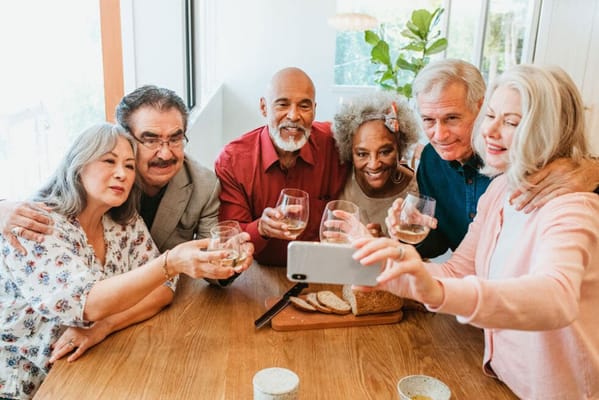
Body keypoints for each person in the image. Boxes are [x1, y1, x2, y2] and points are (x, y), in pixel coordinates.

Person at [353, 65, 599, 399]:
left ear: (548, 129)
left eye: (511, 122)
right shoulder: (499, 190)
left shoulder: (570, 203)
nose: (490, 131)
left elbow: (556, 298)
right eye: (491, 117)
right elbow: (458, 269)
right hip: (503, 375)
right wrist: (396, 271)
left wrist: (437, 293)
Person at [0, 123, 251, 400]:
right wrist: (170, 262)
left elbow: (163, 290)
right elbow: (87, 303)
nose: (121, 174)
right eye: (109, 161)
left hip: (88, 363)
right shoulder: (36, 223)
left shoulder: (122, 220)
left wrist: (104, 327)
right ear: (78, 164)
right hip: (26, 383)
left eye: (130, 166)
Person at [0, 86, 249, 286]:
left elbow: (210, 266)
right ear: (124, 137)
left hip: (153, 303)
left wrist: (230, 262)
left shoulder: (204, 184)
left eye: (175, 139)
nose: (165, 153)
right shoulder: (99, 181)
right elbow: (45, 199)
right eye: (150, 139)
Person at [397, 58, 599, 258]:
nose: (439, 135)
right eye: (429, 120)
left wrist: (594, 170)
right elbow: (443, 245)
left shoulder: (517, 160)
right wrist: (412, 230)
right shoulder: (432, 160)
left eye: (452, 118)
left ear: (481, 106)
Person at [215, 67, 349, 266]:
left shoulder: (335, 143)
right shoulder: (233, 160)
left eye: (304, 106)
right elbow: (230, 239)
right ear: (264, 107)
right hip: (258, 270)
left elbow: (375, 150)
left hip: (320, 267)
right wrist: (261, 227)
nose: (294, 116)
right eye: (282, 104)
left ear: (314, 109)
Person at [332, 91, 422, 237]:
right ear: (349, 151)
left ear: (400, 147)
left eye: (385, 152)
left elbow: (417, 252)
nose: (374, 165)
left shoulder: (417, 191)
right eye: (362, 154)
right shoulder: (340, 176)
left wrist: (382, 244)